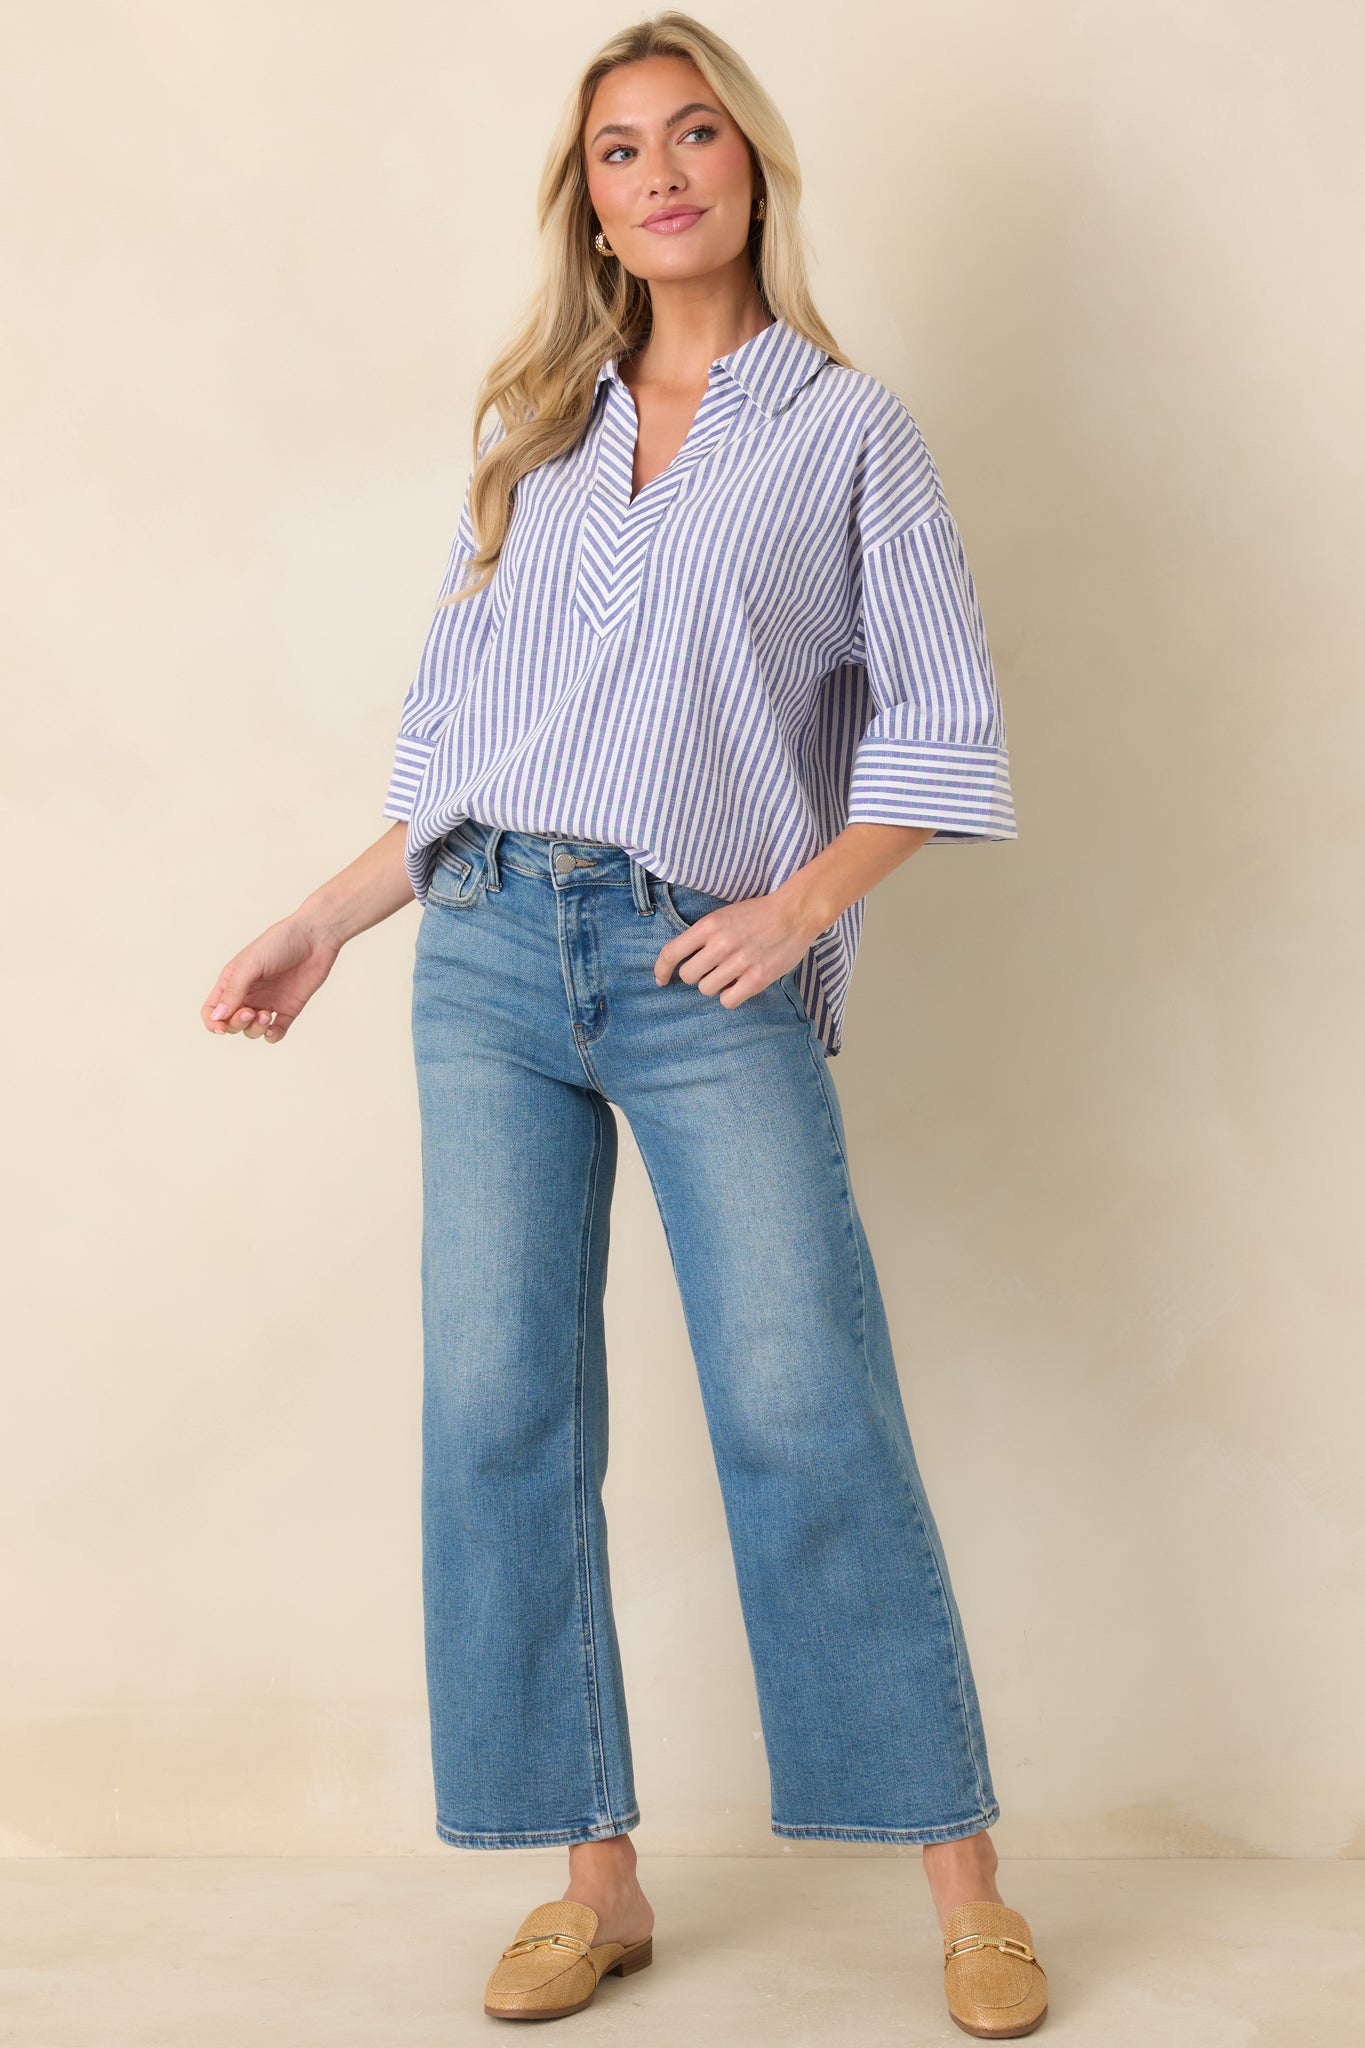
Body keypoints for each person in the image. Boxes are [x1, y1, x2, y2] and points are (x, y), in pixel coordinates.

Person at [201, 12, 1047, 2038]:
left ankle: (965, 1885)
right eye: (611, 151)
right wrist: (329, 914)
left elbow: (940, 720)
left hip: (696, 961)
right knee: (499, 1409)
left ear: (749, 165)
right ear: (582, 197)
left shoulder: (843, 431)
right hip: (485, 947)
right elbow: (468, 739)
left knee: (798, 1397)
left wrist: (802, 903)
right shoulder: (541, 429)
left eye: (688, 136)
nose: (654, 173)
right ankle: (597, 1881)